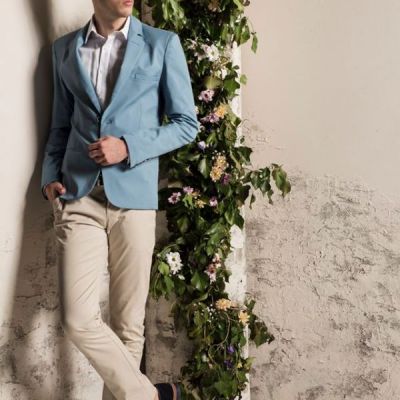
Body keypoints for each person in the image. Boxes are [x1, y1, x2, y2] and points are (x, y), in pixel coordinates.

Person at [40, 0, 199, 399]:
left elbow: (186, 124)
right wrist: (49, 177)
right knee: (78, 320)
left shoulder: (162, 44)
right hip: (79, 196)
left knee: (128, 327)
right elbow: (60, 125)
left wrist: (128, 146)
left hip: (134, 198)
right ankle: (154, 396)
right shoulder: (64, 49)